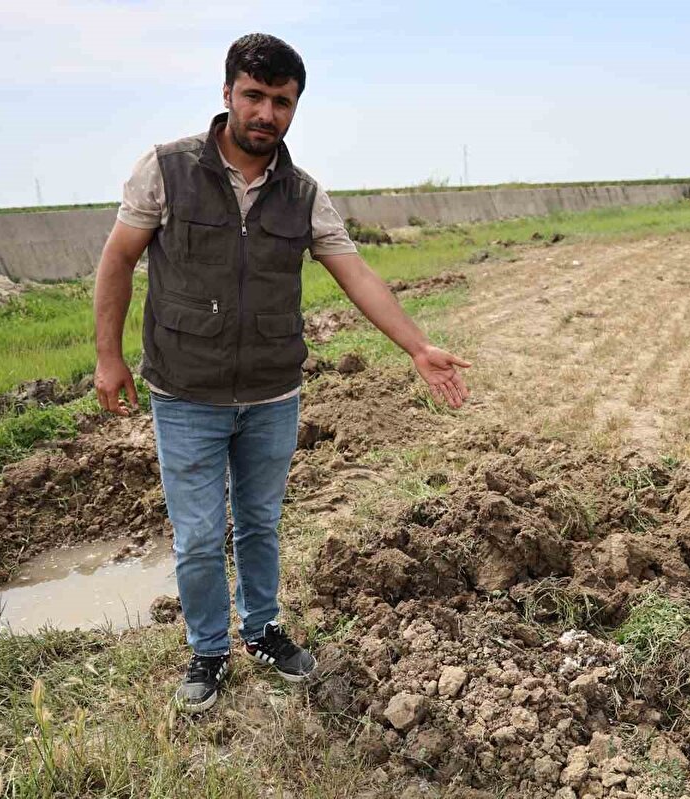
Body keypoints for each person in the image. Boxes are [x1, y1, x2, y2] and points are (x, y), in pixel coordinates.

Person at [92, 33, 471, 714]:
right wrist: (108, 355)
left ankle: (262, 629)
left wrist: (417, 346)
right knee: (203, 535)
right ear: (228, 94)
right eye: (255, 96)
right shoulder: (167, 168)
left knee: (261, 522)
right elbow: (117, 258)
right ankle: (209, 650)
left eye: (282, 101)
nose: (267, 112)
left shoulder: (302, 193)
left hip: (271, 392)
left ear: (295, 106)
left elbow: (355, 272)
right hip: (186, 392)